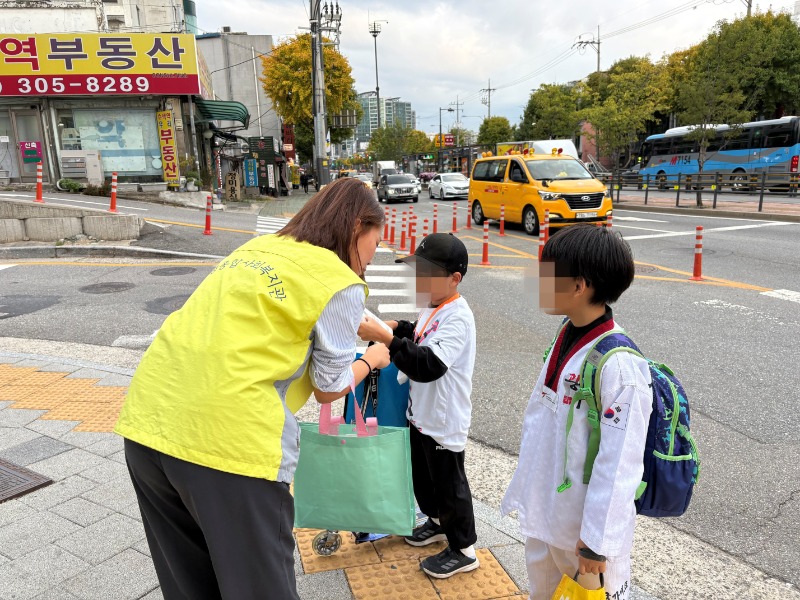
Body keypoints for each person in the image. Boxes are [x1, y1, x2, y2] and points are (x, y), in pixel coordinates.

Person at [115, 178, 391, 600]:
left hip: (147, 424)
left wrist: (362, 324)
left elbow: (269, 314)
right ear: (357, 226)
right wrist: (372, 358)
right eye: (375, 242)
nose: (370, 260)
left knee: (190, 586)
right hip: (227, 446)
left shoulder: (255, 250)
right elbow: (330, 389)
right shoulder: (339, 278)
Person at [501, 224, 652, 600]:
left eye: (547, 274)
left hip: (584, 536)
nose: (538, 281)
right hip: (548, 514)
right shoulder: (567, 332)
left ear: (579, 286)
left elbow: (620, 463)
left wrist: (596, 543)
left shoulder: (620, 365)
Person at [358, 233, 479, 579]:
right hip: (422, 414)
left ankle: (464, 548)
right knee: (425, 479)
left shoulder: (459, 317)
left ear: (454, 279)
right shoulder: (433, 304)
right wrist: (396, 327)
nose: (418, 281)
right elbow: (420, 332)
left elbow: (428, 365)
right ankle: (437, 522)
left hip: (444, 418)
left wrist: (387, 339)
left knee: (450, 485)